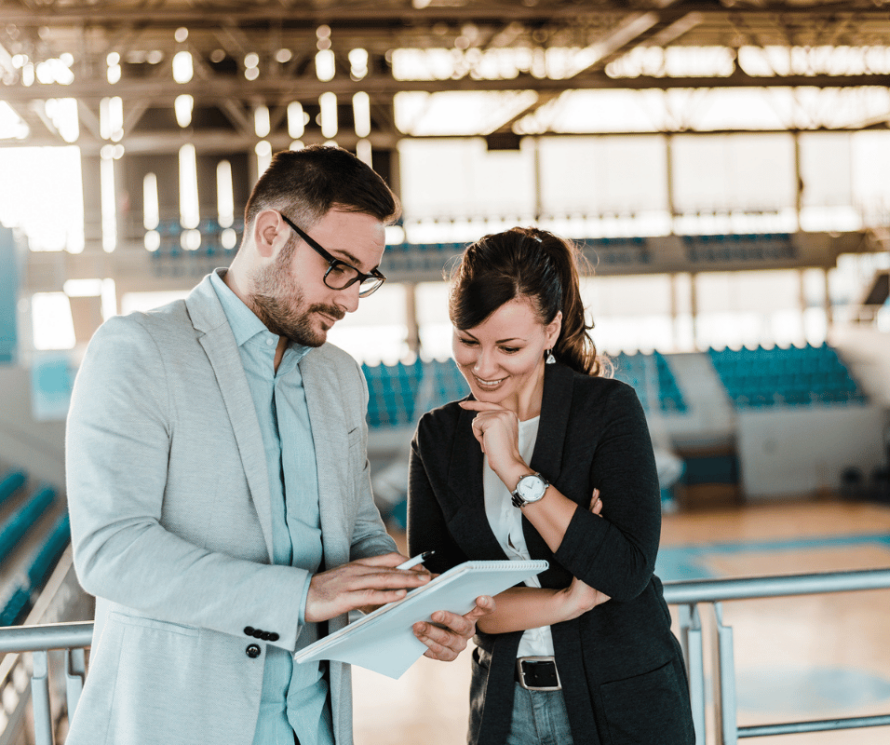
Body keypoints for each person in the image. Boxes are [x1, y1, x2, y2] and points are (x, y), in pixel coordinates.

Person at [65, 145, 492, 745]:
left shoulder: (340, 376)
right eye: (338, 267)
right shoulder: (138, 351)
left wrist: (403, 600)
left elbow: (357, 529)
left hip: (312, 726)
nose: (348, 299)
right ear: (270, 232)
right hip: (179, 722)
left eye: (363, 279)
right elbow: (113, 550)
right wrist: (301, 595)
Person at [407, 227, 696, 745]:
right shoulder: (438, 436)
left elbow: (625, 571)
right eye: (468, 341)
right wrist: (570, 599)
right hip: (504, 705)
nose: (484, 366)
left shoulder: (607, 410)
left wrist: (515, 470)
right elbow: (445, 595)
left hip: (624, 703)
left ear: (551, 330)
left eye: (509, 346)